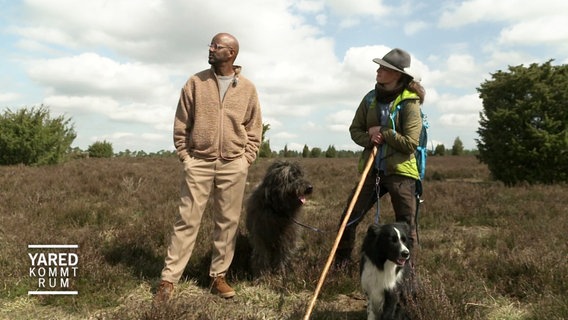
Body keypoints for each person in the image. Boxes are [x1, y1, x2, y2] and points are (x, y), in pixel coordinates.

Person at [154, 32, 262, 303]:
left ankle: (218, 277)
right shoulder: (195, 82)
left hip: (233, 164)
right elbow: (181, 124)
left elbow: (254, 128)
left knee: (227, 223)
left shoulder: (248, 88)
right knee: (186, 220)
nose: (211, 49)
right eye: (211, 45)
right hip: (199, 162)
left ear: (232, 53)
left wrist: (245, 159)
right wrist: (186, 157)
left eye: (217, 46)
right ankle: (168, 280)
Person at [334, 48, 425, 268]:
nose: (378, 71)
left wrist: (384, 132)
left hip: (401, 172)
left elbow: (410, 144)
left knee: (406, 225)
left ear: (397, 75)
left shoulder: (409, 103)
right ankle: (341, 265)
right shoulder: (370, 98)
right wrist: (369, 138)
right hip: (372, 169)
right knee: (349, 218)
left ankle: (407, 275)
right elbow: (355, 130)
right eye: (379, 67)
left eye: (384, 69)